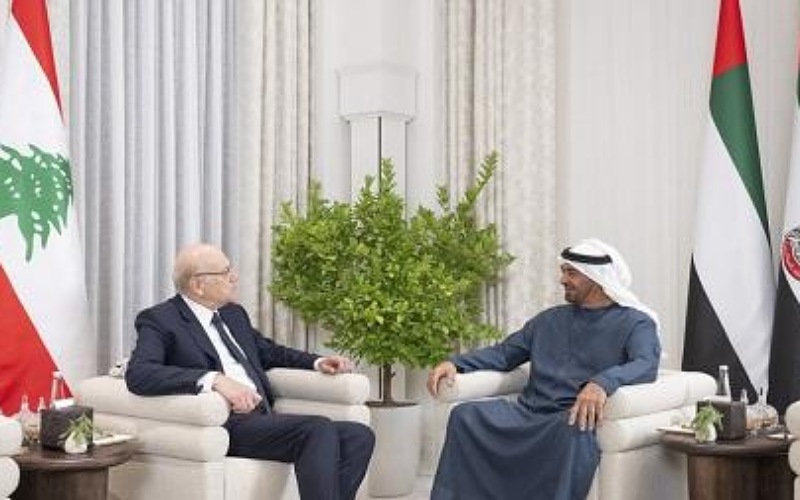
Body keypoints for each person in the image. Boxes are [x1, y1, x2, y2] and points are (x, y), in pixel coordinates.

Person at [125, 243, 374, 500]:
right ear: (198, 285)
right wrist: (215, 379)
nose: (234, 277)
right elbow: (140, 373)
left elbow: (268, 352)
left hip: (262, 417)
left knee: (358, 435)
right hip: (227, 424)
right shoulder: (161, 319)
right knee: (317, 428)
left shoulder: (233, 314)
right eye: (225, 272)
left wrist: (318, 362)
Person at [427, 238, 661, 500]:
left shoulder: (636, 323)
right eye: (563, 272)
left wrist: (602, 383)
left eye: (571, 273)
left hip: (569, 417)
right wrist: (456, 363)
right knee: (465, 415)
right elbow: (505, 354)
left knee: (575, 433)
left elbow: (646, 364)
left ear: (595, 278)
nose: (563, 280)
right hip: (529, 411)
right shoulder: (550, 319)